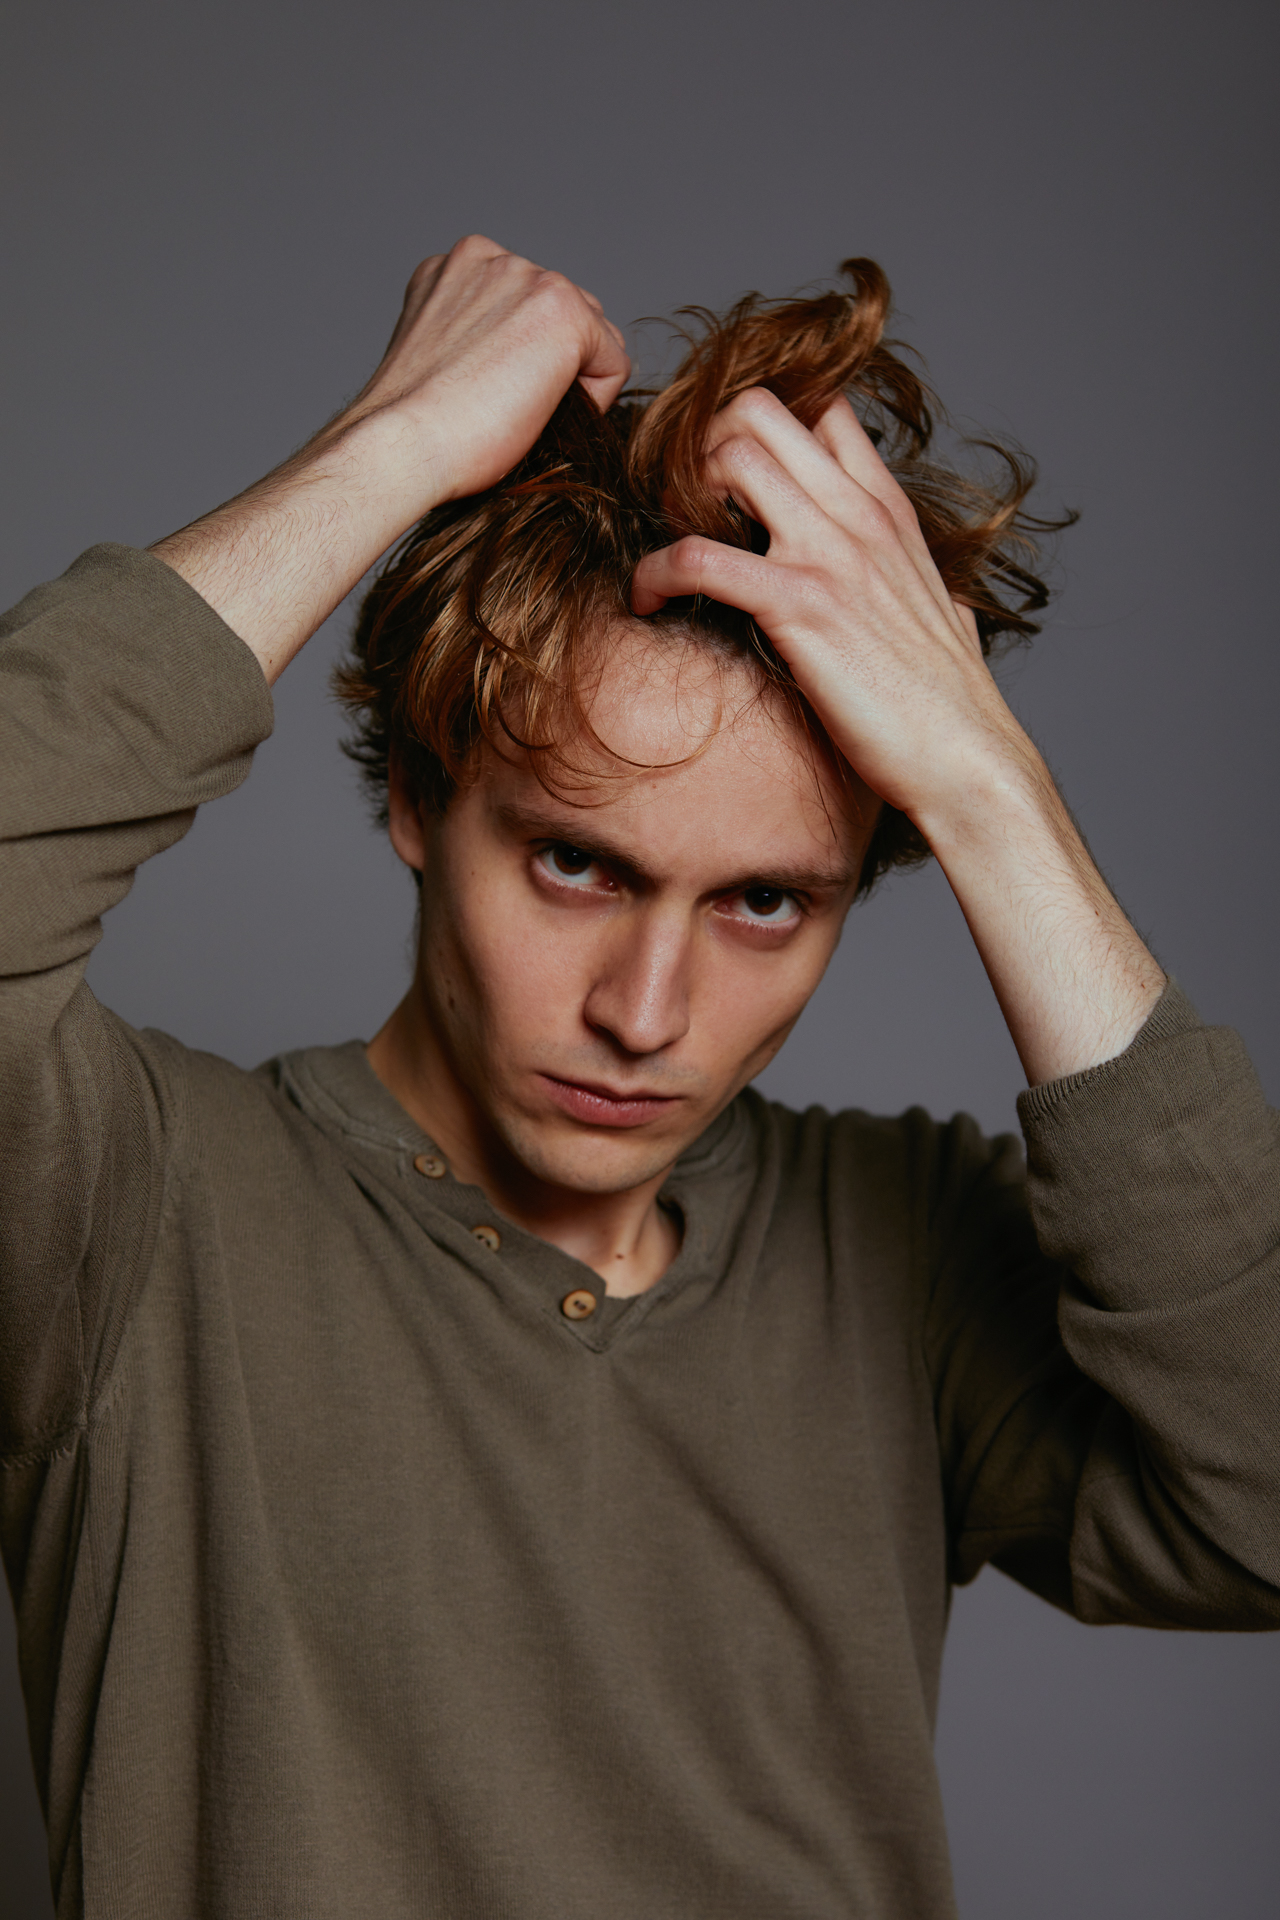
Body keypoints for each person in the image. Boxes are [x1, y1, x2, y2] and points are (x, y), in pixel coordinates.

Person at [1, 234, 1276, 1920]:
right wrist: (391, 447)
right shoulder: (129, 1214)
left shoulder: (900, 1251)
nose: (649, 1013)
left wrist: (989, 788)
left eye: (765, 902)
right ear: (419, 799)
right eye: (577, 865)